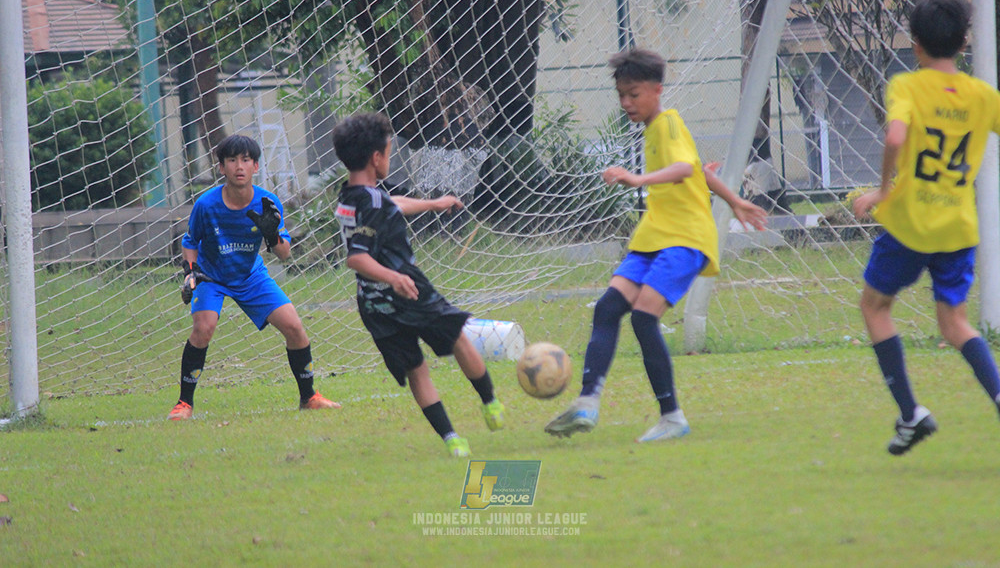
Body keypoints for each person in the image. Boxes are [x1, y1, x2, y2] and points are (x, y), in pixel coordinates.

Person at [545, 47, 768, 442]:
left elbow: (683, 170)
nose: (627, 103)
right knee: (609, 307)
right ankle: (587, 402)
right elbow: (698, 169)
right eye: (621, 96)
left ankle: (672, 417)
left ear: (656, 90)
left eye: (634, 94)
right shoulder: (654, 129)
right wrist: (734, 201)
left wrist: (636, 179)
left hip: (684, 237)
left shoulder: (667, 123)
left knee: (644, 317)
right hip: (655, 235)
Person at [853, 0, 1000, 456]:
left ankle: (911, 413)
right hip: (958, 227)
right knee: (955, 323)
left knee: (875, 307)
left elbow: (896, 134)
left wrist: (881, 190)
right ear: (963, 44)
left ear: (915, 45)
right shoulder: (981, 95)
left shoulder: (908, 86)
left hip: (912, 223)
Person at [332, 112, 505, 458]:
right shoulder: (375, 201)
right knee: (458, 337)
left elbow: (389, 206)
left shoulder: (351, 195)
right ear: (376, 157)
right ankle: (490, 402)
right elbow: (356, 257)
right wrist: (395, 277)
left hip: (372, 303)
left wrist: (433, 204)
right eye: (389, 150)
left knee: (416, 369)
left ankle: (452, 440)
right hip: (407, 289)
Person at [168, 134, 340, 420]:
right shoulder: (206, 205)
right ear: (221, 167)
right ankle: (184, 403)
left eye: (246, 160)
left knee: (295, 327)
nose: (239, 166)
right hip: (211, 277)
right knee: (203, 327)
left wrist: (272, 233)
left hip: (250, 276)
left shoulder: (267, 202)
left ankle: (309, 397)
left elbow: (284, 254)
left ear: (256, 166)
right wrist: (190, 273)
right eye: (232, 160)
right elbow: (190, 242)